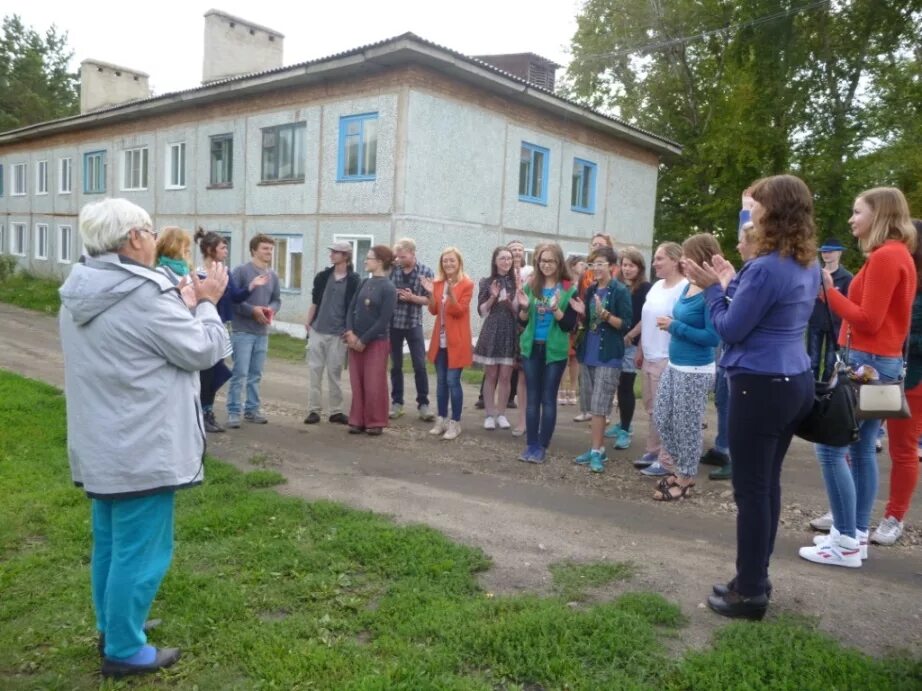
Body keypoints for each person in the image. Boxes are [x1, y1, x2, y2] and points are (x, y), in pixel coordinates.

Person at [59, 198, 229, 677]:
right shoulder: (142, 294)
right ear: (134, 237)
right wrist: (208, 304)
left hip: (102, 441)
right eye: (150, 231)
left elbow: (135, 346)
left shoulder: (81, 289)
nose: (155, 240)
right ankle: (124, 649)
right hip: (143, 443)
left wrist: (182, 305)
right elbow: (203, 350)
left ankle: (114, 625)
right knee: (142, 550)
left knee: (112, 545)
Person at [683, 174, 819, 620]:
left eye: (756, 205)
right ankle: (752, 578)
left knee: (751, 490)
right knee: (767, 485)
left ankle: (752, 594)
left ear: (773, 211)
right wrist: (727, 280)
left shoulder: (764, 267)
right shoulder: (804, 263)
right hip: (793, 380)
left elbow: (729, 328)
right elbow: (761, 312)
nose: (751, 212)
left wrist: (712, 291)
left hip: (758, 384)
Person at [800, 187, 917, 568]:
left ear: (879, 214)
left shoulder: (886, 257)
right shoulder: (895, 255)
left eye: (857, 212)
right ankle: (855, 536)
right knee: (861, 449)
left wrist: (830, 293)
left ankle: (846, 540)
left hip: (866, 362)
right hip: (879, 362)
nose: (851, 219)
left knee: (831, 447)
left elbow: (869, 319)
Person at [649, 234, 721, 500]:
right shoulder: (686, 287)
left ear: (701, 258)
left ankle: (686, 478)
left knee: (686, 424)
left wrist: (674, 326)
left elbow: (713, 338)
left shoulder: (712, 292)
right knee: (662, 417)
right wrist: (673, 323)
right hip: (676, 364)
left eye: (687, 256)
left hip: (696, 369)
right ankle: (682, 468)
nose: (683, 261)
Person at [701, 211, 759, 481]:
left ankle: (736, 457)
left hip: (742, 354)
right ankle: (723, 447)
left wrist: (717, 289)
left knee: (737, 407)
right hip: (729, 352)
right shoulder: (747, 272)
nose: (737, 245)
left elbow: (733, 321)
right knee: (723, 399)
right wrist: (726, 286)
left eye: (742, 241)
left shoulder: (758, 274)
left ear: (754, 242)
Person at [875, 219, 922, 546]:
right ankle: (846, 510)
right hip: (881, 372)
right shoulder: (895, 274)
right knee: (859, 439)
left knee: (902, 448)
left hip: (912, 381)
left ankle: (895, 516)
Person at [194, 229, 268, 433]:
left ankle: (206, 411)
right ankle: (202, 412)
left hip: (221, 328)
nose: (226, 251)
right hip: (203, 329)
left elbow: (236, 297)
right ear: (210, 250)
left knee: (217, 371)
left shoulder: (225, 273)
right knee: (207, 372)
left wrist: (251, 286)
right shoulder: (198, 274)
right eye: (222, 247)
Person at [517, 242, 585, 463]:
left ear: (559, 262)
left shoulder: (568, 288)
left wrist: (556, 309)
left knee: (547, 399)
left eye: (551, 261)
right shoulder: (531, 285)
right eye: (542, 260)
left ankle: (542, 446)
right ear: (537, 262)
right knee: (532, 398)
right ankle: (531, 444)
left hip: (554, 351)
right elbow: (521, 321)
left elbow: (567, 326)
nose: (546, 265)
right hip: (531, 347)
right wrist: (525, 308)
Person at [573, 247, 632, 472]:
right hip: (588, 354)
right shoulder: (590, 290)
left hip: (608, 355)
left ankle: (597, 451)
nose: (595, 268)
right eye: (592, 264)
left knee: (599, 407)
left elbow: (625, 324)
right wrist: (582, 311)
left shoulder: (620, 291)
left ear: (611, 267)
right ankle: (596, 448)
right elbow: (589, 321)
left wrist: (605, 315)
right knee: (591, 406)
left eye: (600, 264)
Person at [633, 242, 688, 475]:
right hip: (649, 353)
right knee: (651, 406)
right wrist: (640, 348)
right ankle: (653, 450)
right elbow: (647, 319)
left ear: (675, 261)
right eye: (655, 258)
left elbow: (683, 321)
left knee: (664, 409)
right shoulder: (656, 286)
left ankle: (667, 458)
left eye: (659, 259)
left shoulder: (684, 287)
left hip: (667, 355)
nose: (654, 263)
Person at [226, 234, 281, 428]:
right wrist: (252, 310)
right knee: (240, 373)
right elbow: (233, 300)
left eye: (271, 249)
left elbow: (276, 299)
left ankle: (252, 409)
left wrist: (271, 310)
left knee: (256, 374)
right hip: (242, 331)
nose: (269, 252)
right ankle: (233, 411)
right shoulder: (241, 271)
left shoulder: (273, 275)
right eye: (265, 248)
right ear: (254, 250)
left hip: (262, 332)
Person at [304, 241, 361, 425]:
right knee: (315, 371)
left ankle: (336, 411)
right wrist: (308, 322)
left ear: (345, 256)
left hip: (338, 334)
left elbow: (354, 308)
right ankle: (313, 410)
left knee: (334, 373)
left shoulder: (354, 280)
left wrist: (350, 330)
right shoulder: (322, 277)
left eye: (336, 252)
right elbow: (314, 301)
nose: (332, 255)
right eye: (332, 251)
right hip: (318, 330)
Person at [345, 245, 398, 435]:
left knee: (373, 383)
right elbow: (351, 308)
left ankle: (375, 421)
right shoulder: (363, 283)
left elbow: (383, 320)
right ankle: (357, 420)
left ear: (380, 262)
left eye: (368, 258)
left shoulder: (389, 288)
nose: (365, 261)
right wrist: (350, 332)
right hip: (354, 340)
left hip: (376, 342)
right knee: (357, 381)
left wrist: (364, 340)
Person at [422, 247, 474, 440]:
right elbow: (434, 311)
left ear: (459, 262)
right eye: (445, 261)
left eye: (452, 260)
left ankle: (455, 422)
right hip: (440, 340)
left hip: (457, 341)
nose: (448, 264)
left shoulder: (467, 284)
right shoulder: (437, 283)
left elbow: (459, 311)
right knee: (441, 382)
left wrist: (450, 295)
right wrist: (430, 294)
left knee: (453, 381)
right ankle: (441, 419)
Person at [605, 247, 651, 450]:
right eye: (624, 265)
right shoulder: (617, 286)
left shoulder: (645, 288)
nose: (627, 269)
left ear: (639, 267)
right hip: (616, 341)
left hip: (632, 344)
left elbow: (645, 317)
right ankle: (623, 423)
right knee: (617, 385)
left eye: (631, 265)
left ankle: (625, 430)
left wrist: (630, 335)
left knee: (626, 386)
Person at [389, 238, 435, 422]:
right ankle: (397, 403)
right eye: (398, 257)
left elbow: (431, 301)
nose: (399, 259)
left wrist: (412, 298)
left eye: (403, 256)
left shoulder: (425, 272)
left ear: (413, 254)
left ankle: (423, 405)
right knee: (396, 366)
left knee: (419, 366)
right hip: (394, 323)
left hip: (414, 323)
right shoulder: (393, 270)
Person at [473, 246, 519, 430]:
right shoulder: (486, 281)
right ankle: (489, 414)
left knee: (506, 376)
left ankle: (501, 414)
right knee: (491, 374)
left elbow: (520, 311)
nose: (506, 262)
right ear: (495, 261)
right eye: (503, 258)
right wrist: (492, 297)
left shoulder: (517, 282)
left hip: (510, 329)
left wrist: (509, 303)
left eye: (509, 258)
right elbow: (482, 311)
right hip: (492, 329)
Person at [574, 234, 616, 422]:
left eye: (601, 245)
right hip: (587, 327)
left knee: (603, 374)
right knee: (586, 371)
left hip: (607, 329)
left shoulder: (614, 276)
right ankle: (586, 410)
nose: (596, 247)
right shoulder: (585, 274)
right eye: (594, 245)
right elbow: (581, 298)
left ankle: (602, 412)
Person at [807, 237, 853, 381]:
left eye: (830, 252)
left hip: (836, 326)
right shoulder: (814, 274)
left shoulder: (846, 277)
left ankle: (827, 395)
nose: (826, 255)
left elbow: (849, 303)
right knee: (812, 361)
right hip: (815, 322)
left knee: (831, 363)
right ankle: (811, 394)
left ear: (839, 253)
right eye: (823, 252)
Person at [561, 254, 587, 406]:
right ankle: (562, 389)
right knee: (564, 357)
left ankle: (572, 389)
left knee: (575, 358)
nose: (584, 266)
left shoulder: (584, 282)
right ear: (572, 266)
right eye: (581, 263)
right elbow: (564, 299)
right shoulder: (566, 282)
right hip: (568, 322)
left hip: (580, 324)